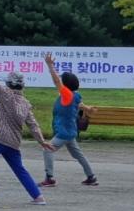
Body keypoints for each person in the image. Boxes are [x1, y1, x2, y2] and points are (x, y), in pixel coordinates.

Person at [0, 49, 55, 205]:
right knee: (20, 170)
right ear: (22, 86)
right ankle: (38, 196)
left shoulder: (4, 94)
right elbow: (33, 125)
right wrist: (42, 141)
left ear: (8, 83)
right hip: (13, 142)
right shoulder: (26, 104)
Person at [40, 52, 98, 187]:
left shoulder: (66, 94)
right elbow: (79, 104)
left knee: (47, 149)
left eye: (62, 81)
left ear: (65, 85)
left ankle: (49, 178)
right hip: (70, 131)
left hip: (64, 132)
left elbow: (56, 81)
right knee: (78, 155)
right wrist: (87, 108)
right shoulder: (75, 95)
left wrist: (50, 65)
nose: (60, 82)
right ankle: (91, 176)